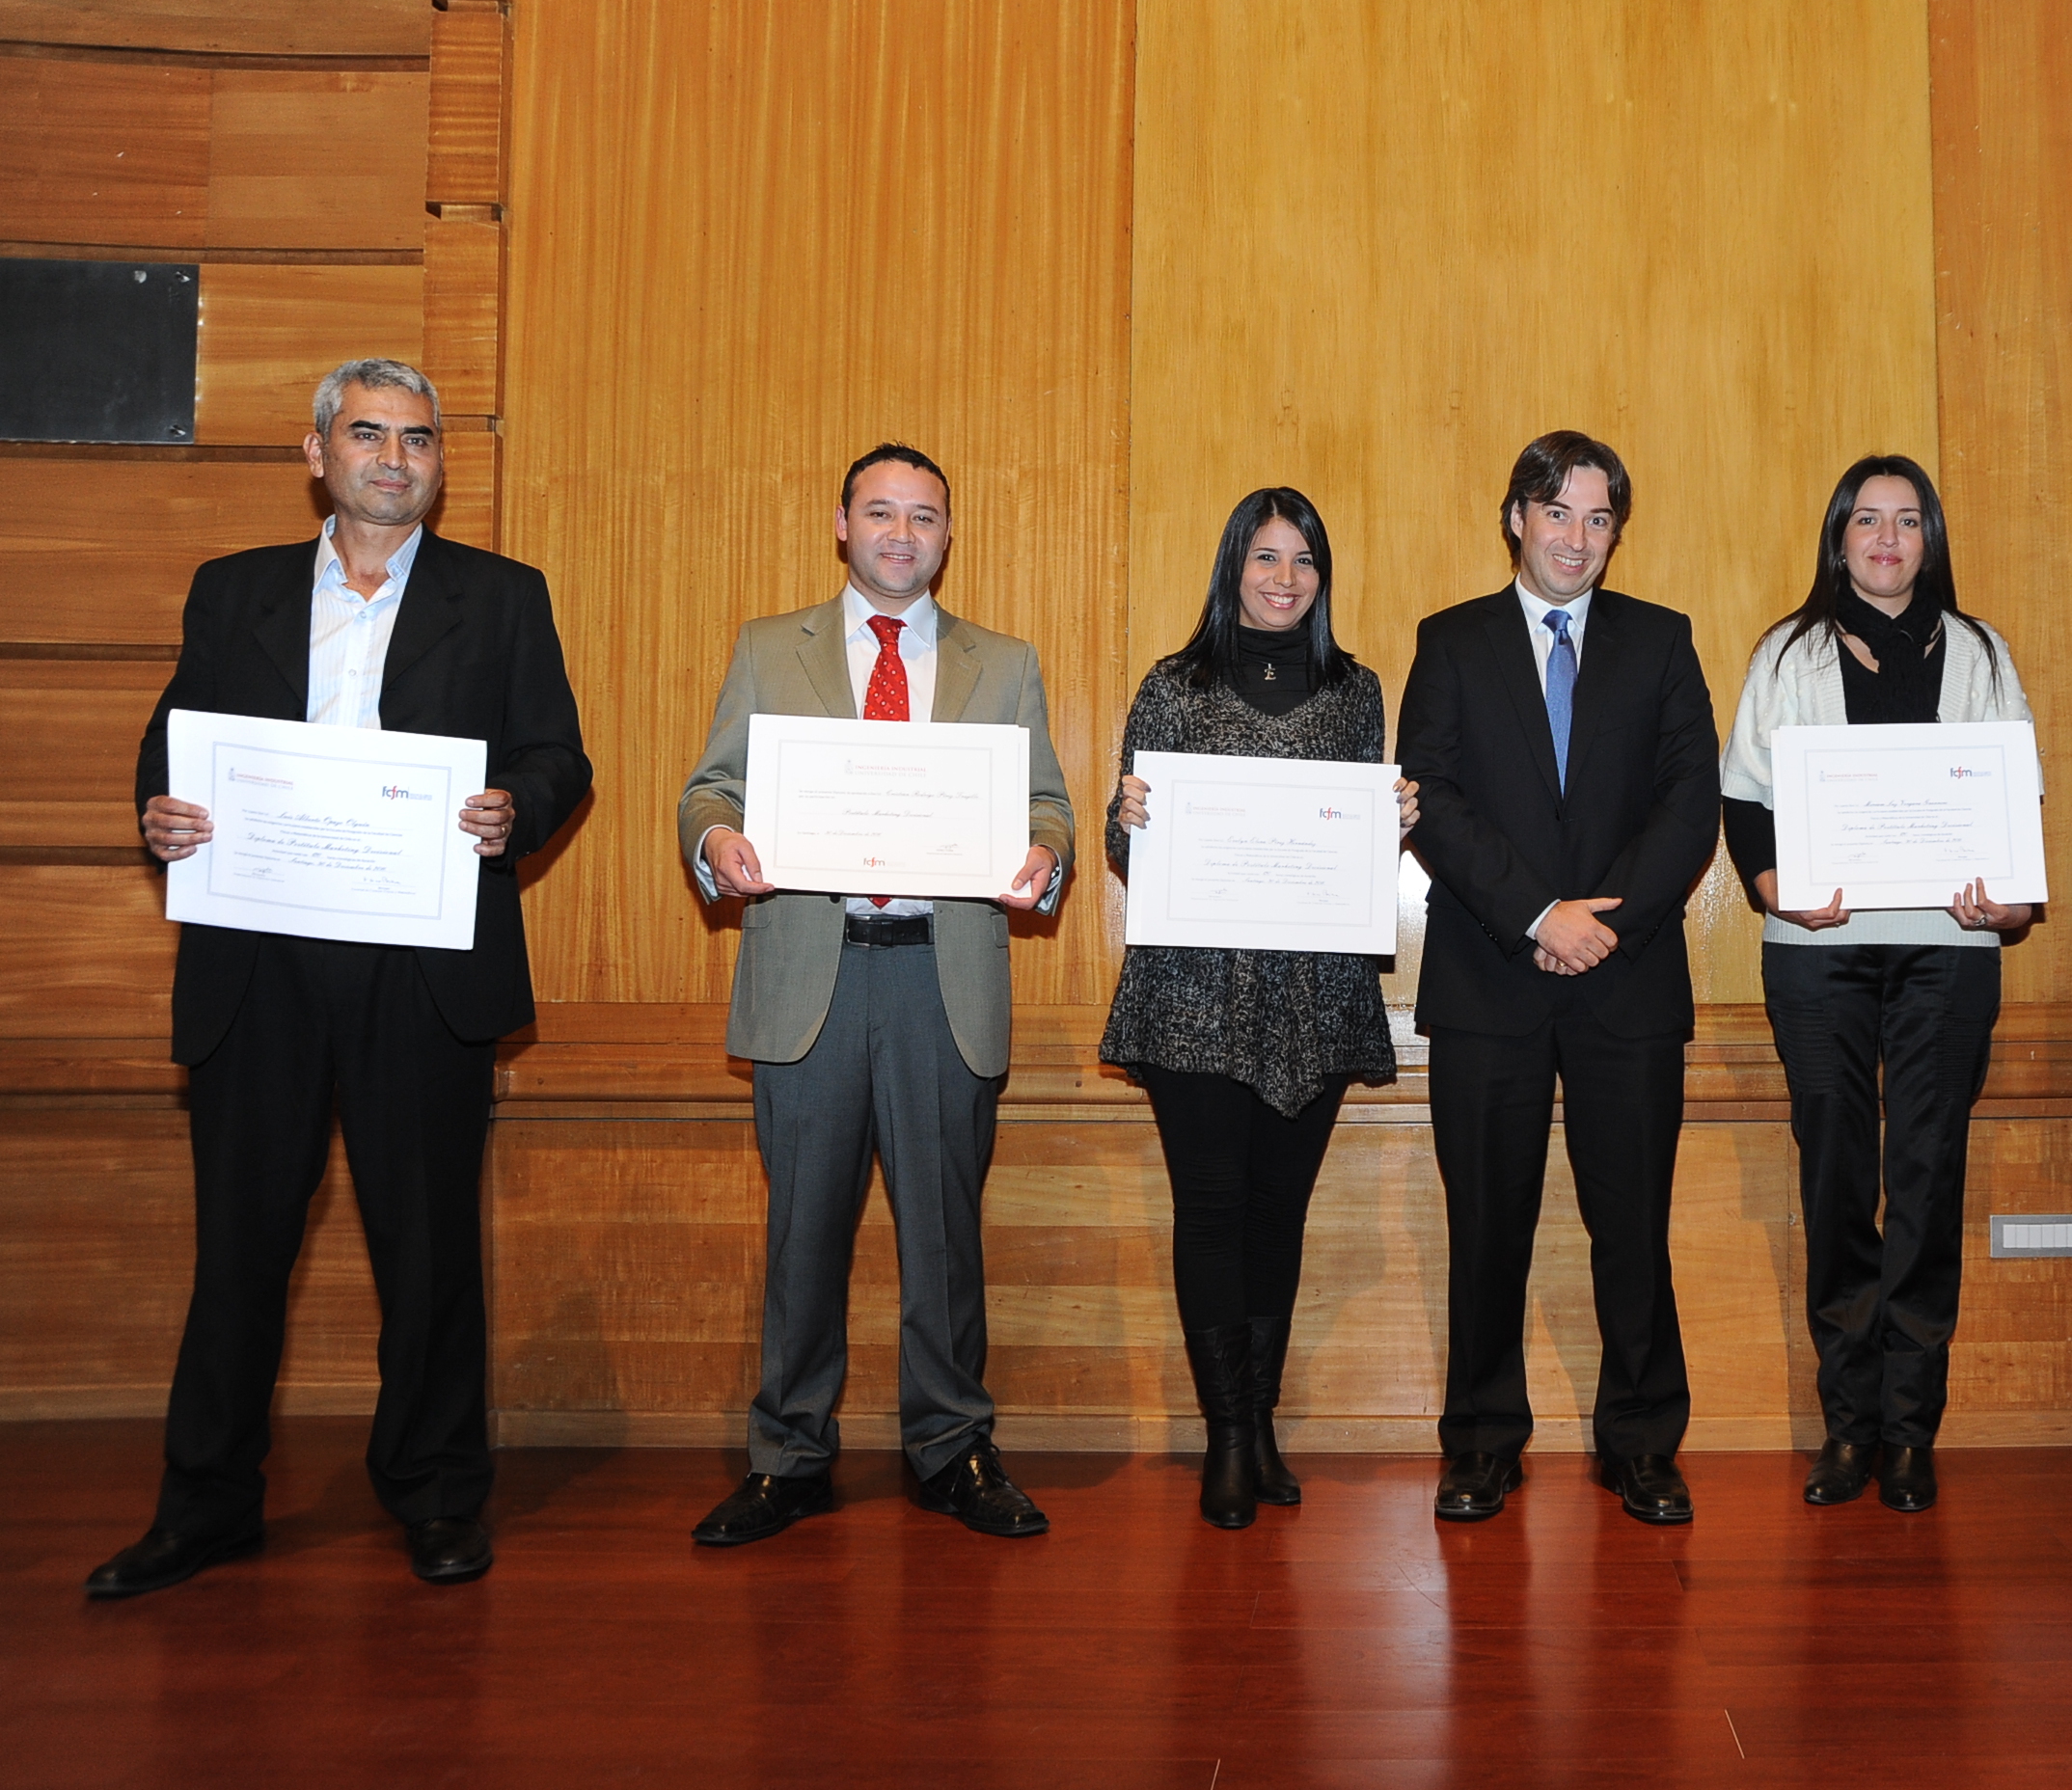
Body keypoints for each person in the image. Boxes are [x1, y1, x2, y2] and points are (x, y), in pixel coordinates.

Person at [96, 359, 591, 1597]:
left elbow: (558, 756)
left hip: (421, 968)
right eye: (367, 434)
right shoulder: (234, 590)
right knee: (239, 1251)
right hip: (256, 965)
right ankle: (206, 1505)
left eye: (416, 439)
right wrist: (161, 810)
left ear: (439, 463)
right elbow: (173, 739)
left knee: (427, 1254)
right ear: (317, 453)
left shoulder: (503, 595)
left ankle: (435, 1492)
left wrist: (515, 808)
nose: (393, 458)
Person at [677, 443, 1072, 1545]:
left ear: (949, 535)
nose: (903, 534)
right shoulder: (770, 648)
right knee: (802, 1233)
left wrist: (1045, 853)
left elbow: (1045, 802)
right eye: (882, 513)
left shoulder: (1005, 663)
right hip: (812, 972)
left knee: (944, 1240)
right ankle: (788, 1458)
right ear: (842, 525)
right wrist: (715, 838)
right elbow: (711, 785)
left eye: (925, 516)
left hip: (941, 979)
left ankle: (953, 1449)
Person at [1396, 430, 1720, 1525]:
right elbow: (1429, 795)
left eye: (1597, 518)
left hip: (1627, 981)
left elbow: (1689, 802)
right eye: (1556, 513)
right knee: (1487, 1228)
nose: (1576, 538)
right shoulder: (1450, 641)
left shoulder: (1661, 641)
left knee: (1632, 1227)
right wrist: (1538, 915)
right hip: (1488, 979)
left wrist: (1598, 925)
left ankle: (1642, 1443)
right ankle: (1482, 1442)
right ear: (1515, 519)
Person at [1720, 454, 2033, 1512]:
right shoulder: (1787, 652)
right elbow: (1745, 801)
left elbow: (2014, 800)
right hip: (1820, 952)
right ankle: (1846, 1426)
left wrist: (2011, 902)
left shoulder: (1980, 652)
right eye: (1866, 519)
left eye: (1906, 520)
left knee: (1927, 1179)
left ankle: (1908, 1431)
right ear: (1839, 537)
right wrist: (1775, 889)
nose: (1887, 538)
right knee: (1837, 1181)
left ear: (1929, 537)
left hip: (1950, 948)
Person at [1101, 488, 1418, 1529]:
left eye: (1304, 559)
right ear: (1232, 565)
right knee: (1212, 1210)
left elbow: (1354, 844)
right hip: (1191, 994)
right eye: (1266, 557)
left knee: (1279, 1212)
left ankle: (1261, 1420)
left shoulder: (1355, 691)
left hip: (1313, 997)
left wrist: (1390, 821)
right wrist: (1126, 817)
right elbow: (1124, 847)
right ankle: (1227, 1437)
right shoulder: (1173, 684)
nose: (1285, 578)